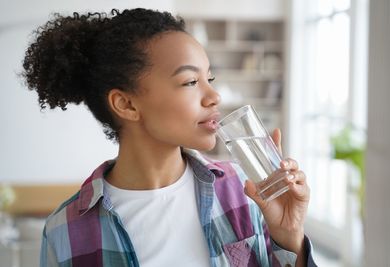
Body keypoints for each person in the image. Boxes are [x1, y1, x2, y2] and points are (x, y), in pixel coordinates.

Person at [22, 8, 317, 267]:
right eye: (190, 81)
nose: (214, 96)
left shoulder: (246, 190)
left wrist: (289, 236)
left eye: (209, 79)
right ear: (127, 104)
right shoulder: (66, 230)